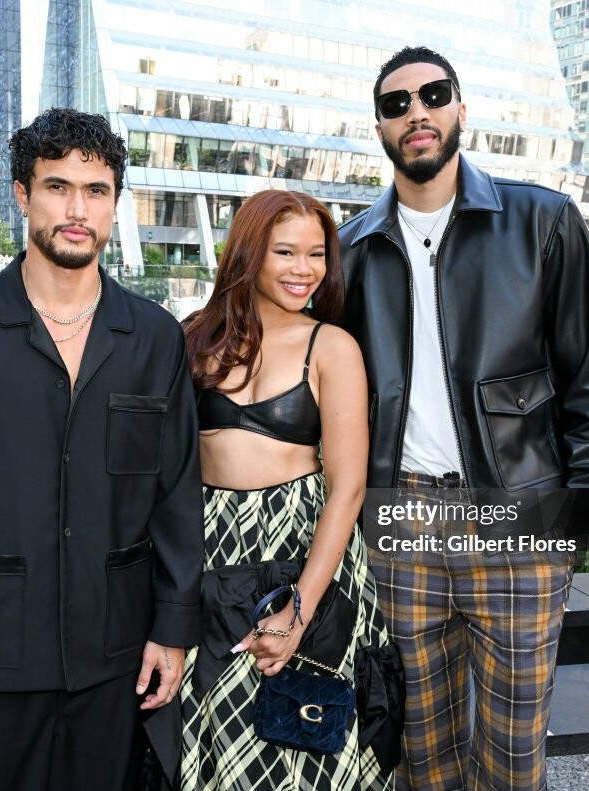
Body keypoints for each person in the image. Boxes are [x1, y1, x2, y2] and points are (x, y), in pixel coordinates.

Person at [339, 47, 589, 791]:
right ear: (380, 127)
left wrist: (576, 518)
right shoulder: (352, 250)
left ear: (461, 110)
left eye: (434, 95)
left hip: (518, 513)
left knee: (512, 756)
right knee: (419, 756)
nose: (417, 113)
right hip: (402, 521)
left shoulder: (543, 222)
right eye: (397, 104)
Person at [0, 108, 204, 791]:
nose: (77, 209)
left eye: (96, 191)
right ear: (22, 194)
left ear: (115, 202)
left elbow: (177, 496)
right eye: (58, 186)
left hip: (117, 657)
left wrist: (173, 629)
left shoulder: (155, 338)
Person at [178, 190, 397, 790]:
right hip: (213, 550)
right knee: (217, 736)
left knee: (306, 738)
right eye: (285, 252)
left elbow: (348, 487)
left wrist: (299, 609)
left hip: (303, 549)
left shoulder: (332, 346)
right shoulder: (192, 338)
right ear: (248, 253)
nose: (305, 269)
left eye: (317, 254)